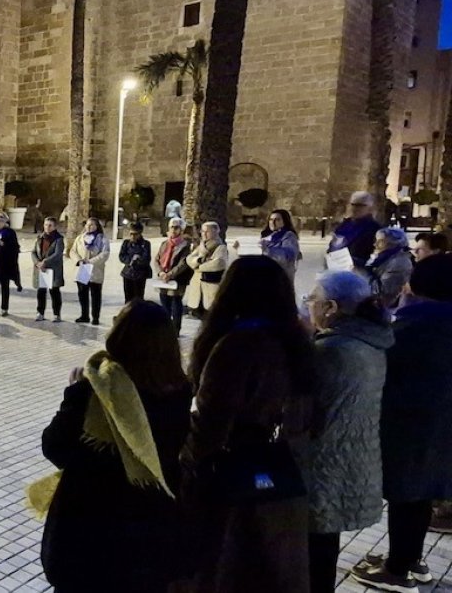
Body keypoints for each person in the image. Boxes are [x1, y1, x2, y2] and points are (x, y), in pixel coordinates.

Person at [179, 256, 314, 593]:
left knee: (224, 568)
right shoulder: (295, 341)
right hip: (278, 471)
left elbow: (212, 419)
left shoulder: (236, 345)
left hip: (230, 476)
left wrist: (186, 463)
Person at [40, 301, 193, 592]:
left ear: (121, 336)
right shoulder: (179, 390)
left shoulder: (95, 388)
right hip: (150, 532)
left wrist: (74, 392)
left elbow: (55, 447)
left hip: (90, 534)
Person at [351, 254, 452, 591]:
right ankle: (411, 558)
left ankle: (397, 570)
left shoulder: (416, 323)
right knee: (421, 495)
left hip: (411, 423)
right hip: (439, 424)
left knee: (406, 494)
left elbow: (383, 361)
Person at [303, 271, 392, 593]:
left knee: (315, 550)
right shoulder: (373, 340)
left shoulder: (331, 351)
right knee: (325, 543)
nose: (307, 304)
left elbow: (302, 408)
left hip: (323, 462)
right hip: (354, 459)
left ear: (330, 307)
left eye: (311, 299)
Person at [154, 217, 194, 334]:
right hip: (163, 279)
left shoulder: (185, 245)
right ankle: (165, 327)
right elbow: (157, 259)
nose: (173, 230)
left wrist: (170, 274)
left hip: (177, 279)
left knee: (176, 303)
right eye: (171, 227)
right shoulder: (164, 243)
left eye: (176, 227)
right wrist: (161, 272)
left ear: (181, 230)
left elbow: (183, 263)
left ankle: (176, 329)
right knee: (164, 303)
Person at [69, 217, 110, 325]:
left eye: (92, 225)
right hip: (82, 269)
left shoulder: (102, 239)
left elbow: (104, 254)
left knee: (95, 295)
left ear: (97, 226)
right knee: (83, 294)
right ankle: (84, 315)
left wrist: (90, 261)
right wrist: (78, 260)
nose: (89, 227)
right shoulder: (80, 238)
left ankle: (95, 317)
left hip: (95, 270)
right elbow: (73, 251)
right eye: (87, 225)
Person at [184, 221, 229, 318]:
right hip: (197, 285)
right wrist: (198, 261)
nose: (204, 234)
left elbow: (218, 263)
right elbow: (189, 259)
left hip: (210, 285)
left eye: (207, 232)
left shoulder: (220, 246)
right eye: (203, 231)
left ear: (215, 232)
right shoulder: (201, 245)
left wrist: (199, 267)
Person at [328, 191, 381, 269]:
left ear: (369, 208)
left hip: (360, 271)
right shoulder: (344, 225)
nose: (356, 208)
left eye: (360, 206)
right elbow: (334, 245)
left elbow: (376, 255)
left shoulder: (375, 229)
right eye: (353, 205)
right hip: (338, 269)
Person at [366, 227, 413, 310]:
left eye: (380, 242)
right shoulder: (380, 258)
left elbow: (382, 290)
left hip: (386, 309)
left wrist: (361, 272)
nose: (375, 244)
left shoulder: (399, 263)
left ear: (393, 244)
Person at [32, 216, 65, 322]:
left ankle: (56, 314)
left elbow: (58, 254)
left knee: (54, 292)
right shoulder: (40, 237)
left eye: (50, 225)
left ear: (55, 227)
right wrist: (37, 262)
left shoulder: (58, 239)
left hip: (53, 269)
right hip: (40, 269)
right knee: (41, 292)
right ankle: (40, 313)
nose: (47, 227)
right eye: (46, 225)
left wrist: (45, 262)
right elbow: (33, 252)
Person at [258, 209, 303, 281]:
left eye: (277, 220)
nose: (273, 222)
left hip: (281, 279)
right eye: (271, 219)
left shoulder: (289, 236)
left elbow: (287, 256)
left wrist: (268, 250)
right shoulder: (266, 237)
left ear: (284, 221)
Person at [119, 222, 153, 303]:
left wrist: (138, 260)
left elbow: (146, 258)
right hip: (128, 273)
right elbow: (122, 256)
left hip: (140, 274)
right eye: (131, 234)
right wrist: (131, 260)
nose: (132, 236)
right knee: (128, 298)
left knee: (138, 298)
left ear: (140, 233)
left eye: (135, 234)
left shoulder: (145, 244)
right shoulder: (126, 243)